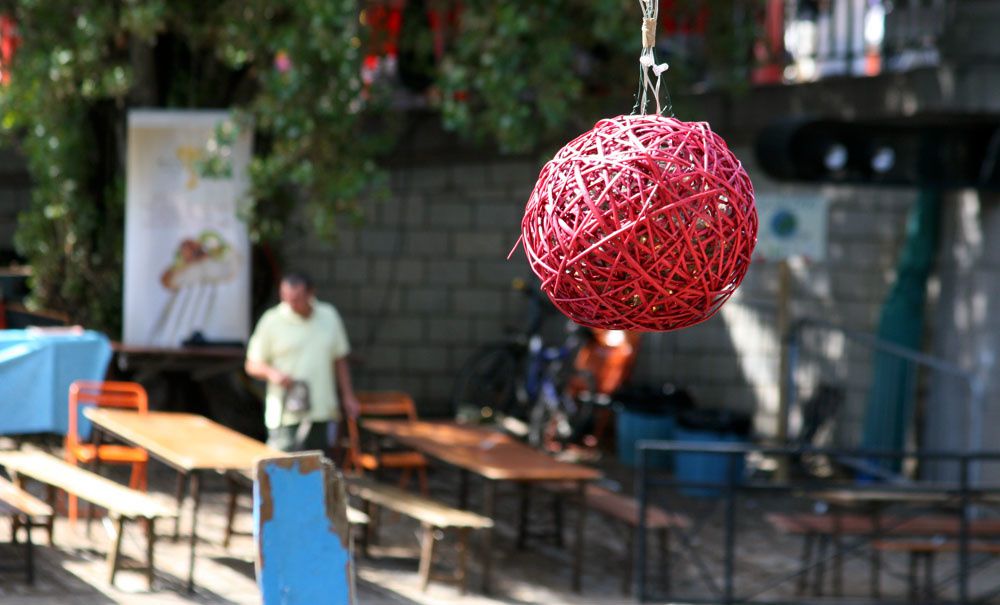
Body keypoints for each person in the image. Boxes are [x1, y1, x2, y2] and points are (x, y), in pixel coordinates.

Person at [245, 271, 359, 453]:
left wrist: (348, 396)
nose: (291, 304)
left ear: (311, 293)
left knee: (316, 469)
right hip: (285, 414)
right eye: (286, 298)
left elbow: (340, 358)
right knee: (282, 467)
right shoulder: (272, 320)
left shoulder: (328, 315)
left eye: (296, 299)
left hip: (322, 410)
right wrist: (272, 374)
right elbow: (251, 364)